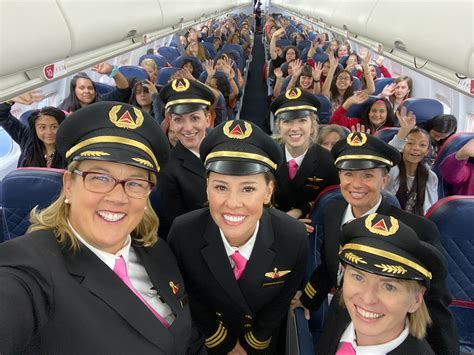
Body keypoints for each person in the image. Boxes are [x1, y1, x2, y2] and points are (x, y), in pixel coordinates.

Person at [0, 102, 195, 353]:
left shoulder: (158, 250)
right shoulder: (29, 267)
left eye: (135, 182)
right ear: (69, 184)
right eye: (100, 178)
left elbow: (187, 338)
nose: (118, 197)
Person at [292, 132, 459, 355]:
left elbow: (435, 303)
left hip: (389, 328)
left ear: (384, 180)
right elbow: (329, 267)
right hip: (341, 317)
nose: (356, 184)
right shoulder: (333, 212)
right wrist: (307, 299)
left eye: (368, 175)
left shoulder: (415, 230)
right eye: (349, 174)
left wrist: (444, 350)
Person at [168, 120, 308, 354]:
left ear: (268, 192)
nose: (232, 203)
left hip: (261, 342)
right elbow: (189, 295)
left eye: (248, 188)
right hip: (208, 340)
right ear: (207, 188)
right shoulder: (183, 233)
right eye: (221, 187)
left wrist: (253, 341)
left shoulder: (292, 235)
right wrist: (222, 342)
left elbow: (282, 297)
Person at [316, 213, 448, 354]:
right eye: (358, 277)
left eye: (389, 287)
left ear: (416, 300)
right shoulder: (342, 309)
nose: (367, 299)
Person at [270, 88, 339, 230]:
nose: (295, 128)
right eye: (287, 121)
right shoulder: (267, 155)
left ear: (313, 125)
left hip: (311, 228)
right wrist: (286, 221)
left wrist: (301, 211)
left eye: (302, 120)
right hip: (270, 225)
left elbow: (331, 201)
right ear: (279, 126)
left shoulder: (328, 161)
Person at [156, 78, 216, 239]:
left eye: (194, 118)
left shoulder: (227, 149)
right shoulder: (167, 170)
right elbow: (180, 228)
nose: (187, 128)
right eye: (178, 120)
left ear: (208, 119)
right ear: (171, 124)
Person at [385, 128, 438, 215]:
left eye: (422, 145)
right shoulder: (391, 170)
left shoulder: (431, 177)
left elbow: (431, 210)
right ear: (402, 146)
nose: (416, 148)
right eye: (410, 143)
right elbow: (387, 157)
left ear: (427, 151)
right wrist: (403, 129)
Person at [0, 102, 66, 168]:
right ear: (35, 129)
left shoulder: (69, 148)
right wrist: (10, 100)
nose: (49, 132)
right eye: (42, 127)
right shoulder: (27, 137)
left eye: (54, 127)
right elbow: (2, 116)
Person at [59, 63, 130, 113]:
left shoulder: (102, 101)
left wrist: (112, 71)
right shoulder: (64, 109)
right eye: (82, 88)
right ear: (74, 90)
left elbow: (124, 91)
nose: (87, 91)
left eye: (90, 88)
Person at [331, 94, 396, 133]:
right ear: (369, 113)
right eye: (373, 111)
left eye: (381, 111)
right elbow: (335, 121)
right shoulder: (357, 124)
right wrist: (348, 102)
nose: (377, 114)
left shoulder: (389, 131)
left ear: (387, 114)